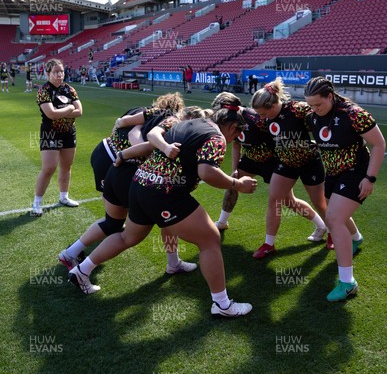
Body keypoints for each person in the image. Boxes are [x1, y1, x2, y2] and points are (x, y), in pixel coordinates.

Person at [68, 102, 258, 317]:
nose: (235, 140)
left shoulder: (181, 121)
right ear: (233, 127)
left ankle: (82, 270)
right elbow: (207, 172)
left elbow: (151, 139)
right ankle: (222, 305)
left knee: (127, 237)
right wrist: (237, 184)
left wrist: (123, 156)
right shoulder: (217, 138)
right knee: (210, 240)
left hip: (139, 182)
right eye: (238, 135)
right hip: (164, 191)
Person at [58, 106, 205, 275]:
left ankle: (71, 254)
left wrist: (123, 154)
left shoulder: (157, 112)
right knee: (134, 232)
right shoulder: (173, 126)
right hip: (124, 167)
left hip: (116, 163)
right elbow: (142, 140)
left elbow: (127, 124)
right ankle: (83, 269)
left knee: (114, 223)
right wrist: (158, 154)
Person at [304, 77, 385, 301]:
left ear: (330, 96)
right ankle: (356, 239)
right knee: (336, 213)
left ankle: (348, 283)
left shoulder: (353, 113)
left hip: (357, 172)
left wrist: (370, 177)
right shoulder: (311, 115)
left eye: (318, 104)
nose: (314, 109)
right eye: (310, 105)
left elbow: (378, 144)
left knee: (334, 218)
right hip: (332, 173)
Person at [214, 92, 327, 243]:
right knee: (233, 182)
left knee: (288, 201)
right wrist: (235, 168)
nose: (219, 117)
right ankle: (222, 222)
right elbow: (236, 144)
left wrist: (301, 144)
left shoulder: (258, 118)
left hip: (272, 161)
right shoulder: (232, 122)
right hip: (251, 159)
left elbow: (284, 131)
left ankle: (322, 225)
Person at [250, 78, 329, 258]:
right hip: (286, 162)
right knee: (274, 199)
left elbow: (322, 121)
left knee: (320, 202)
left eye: (263, 114)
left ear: (272, 105)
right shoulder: (266, 118)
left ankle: (330, 230)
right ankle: (269, 243)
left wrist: (320, 142)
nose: (261, 118)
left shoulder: (297, 109)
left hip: (309, 162)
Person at [90, 92, 185, 192]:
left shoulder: (142, 110)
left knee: (110, 197)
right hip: (114, 157)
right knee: (125, 200)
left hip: (103, 148)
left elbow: (120, 122)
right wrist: (150, 158)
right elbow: (133, 135)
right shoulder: (161, 118)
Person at [30, 59, 83, 216]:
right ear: (48, 73)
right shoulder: (44, 91)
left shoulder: (70, 89)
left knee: (66, 166)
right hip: (50, 133)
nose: (60, 75)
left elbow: (79, 111)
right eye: (56, 72)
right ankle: (36, 203)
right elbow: (51, 114)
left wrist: (63, 110)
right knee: (49, 168)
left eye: (61, 71)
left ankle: (64, 197)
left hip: (69, 132)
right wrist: (68, 108)